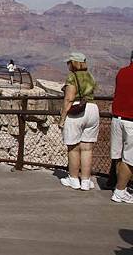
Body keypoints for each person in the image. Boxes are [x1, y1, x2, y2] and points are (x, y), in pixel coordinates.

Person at [58, 52, 99, 191]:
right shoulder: (90, 76)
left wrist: (62, 118)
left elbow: (69, 99)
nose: (67, 65)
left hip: (77, 111)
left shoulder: (72, 77)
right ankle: (86, 181)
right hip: (92, 109)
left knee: (73, 148)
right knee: (87, 148)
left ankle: (74, 179)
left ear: (74, 63)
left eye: (69, 62)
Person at [110, 50, 133, 203]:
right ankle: (120, 191)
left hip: (117, 119)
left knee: (119, 156)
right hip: (131, 121)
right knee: (130, 160)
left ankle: (118, 185)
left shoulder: (121, 72)